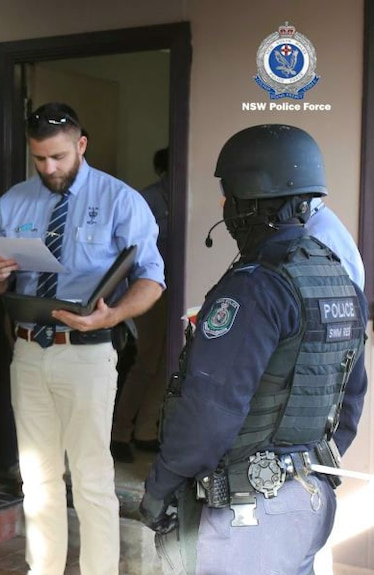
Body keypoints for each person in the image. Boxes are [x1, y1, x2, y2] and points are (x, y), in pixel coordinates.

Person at [139, 124, 368, 574]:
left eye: (228, 195)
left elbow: (209, 411)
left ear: (252, 200)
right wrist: (303, 473)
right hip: (307, 500)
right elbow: (350, 402)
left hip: (248, 516)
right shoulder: (340, 279)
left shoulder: (254, 287)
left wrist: (161, 485)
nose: (223, 207)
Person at [0, 102, 165, 575]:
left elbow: (152, 280)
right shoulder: (13, 202)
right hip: (26, 350)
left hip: (86, 353)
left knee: (91, 479)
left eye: (59, 157)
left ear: (81, 145)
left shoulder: (122, 200)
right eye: (40, 158)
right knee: (37, 480)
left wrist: (114, 315)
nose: (49, 168)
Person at [111, 147, 170, 462]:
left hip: (175, 289)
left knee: (166, 362)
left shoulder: (184, 196)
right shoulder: (147, 199)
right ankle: (120, 432)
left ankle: (146, 429)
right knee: (146, 361)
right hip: (146, 289)